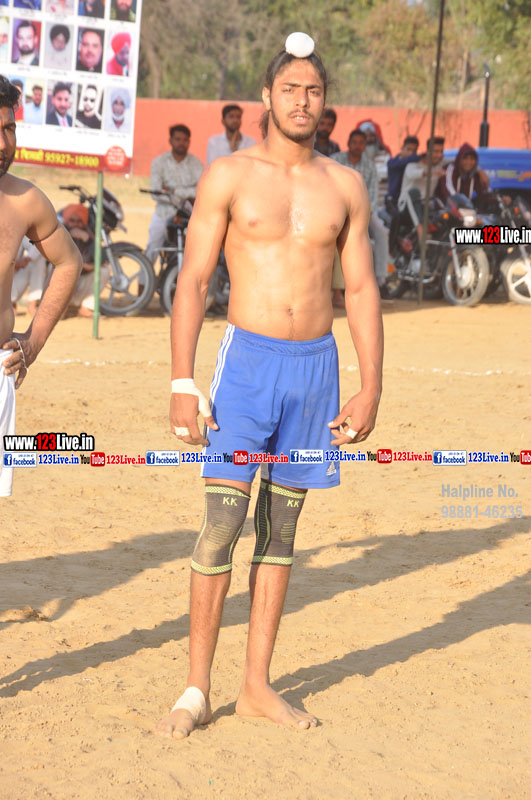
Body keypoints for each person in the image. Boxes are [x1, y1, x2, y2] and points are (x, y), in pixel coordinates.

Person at [154, 32, 382, 740]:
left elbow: (360, 288)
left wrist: (370, 384)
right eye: (290, 89)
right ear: (267, 96)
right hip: (246, 366)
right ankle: (196, 688)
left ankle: (256, 685)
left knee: (280, 531)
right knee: (223, 522)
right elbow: (194, 280)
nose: (302, 101)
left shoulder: (344, 185)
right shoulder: (229, 176)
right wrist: (183, 379)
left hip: (315, 369)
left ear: (325, 100)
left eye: (313, 90)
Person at [0, 75, 82, 498]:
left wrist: (31, 343)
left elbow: (69, 262)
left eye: (9, 128)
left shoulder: (25, 201)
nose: (3, 144)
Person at [332, 129, 390, 294]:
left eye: (361, 143)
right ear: (348, 143)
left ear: (365, 145)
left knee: (381, 232)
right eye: (354, 142)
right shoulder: (335, 161)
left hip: (363, 212)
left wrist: (361, 213)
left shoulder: (370, 166)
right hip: (337, 210)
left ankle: (381, 279)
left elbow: (372, 195)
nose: (357, 146)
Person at [146, 124, 203, 264]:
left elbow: (201, 191)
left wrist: (172, 191)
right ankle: (145, 278)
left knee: (195, 254)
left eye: (185, 140)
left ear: (189, 142)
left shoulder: (197, 164)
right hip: (163, 213)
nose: (181, 143)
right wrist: (187, 193)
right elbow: (155, 192)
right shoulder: (159, 162)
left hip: (188, 217)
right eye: (177, 139)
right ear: (170, 141)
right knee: (151, 250)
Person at [61, 203, 110, 317]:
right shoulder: (61, 233)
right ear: (67, 221)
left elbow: (103, 258)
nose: (76, 224)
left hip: (81, 283)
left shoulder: (88, 233)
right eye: (72, 221)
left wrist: (87, 240)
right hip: (62, 282)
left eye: (79, 221)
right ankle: (60, 307)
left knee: (104, 270)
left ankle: (86, 307)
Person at [398, 136, 445, 240]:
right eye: (435, 151)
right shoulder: (413, 164)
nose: (439, 155)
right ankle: (420, 230)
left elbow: (461, 161)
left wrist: (479, 171)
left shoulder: (440, 165)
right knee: (414, 192)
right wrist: (430, 172)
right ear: (427, 152)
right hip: (406, 207)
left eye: (441, 152)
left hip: (427, 207)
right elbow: (411, 174)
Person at [11, 237, 46, 317]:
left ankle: (32, 305)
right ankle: (8, 304)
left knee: (38, 258)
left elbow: (36, 246)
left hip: (15, 277)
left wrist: (26, 260)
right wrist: (13, 264)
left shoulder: (18, 233)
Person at [386, 135, 420, 208]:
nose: (410, 153)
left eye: (414, 151)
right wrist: (415, 157)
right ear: (402, 148)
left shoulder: (413, 162)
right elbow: (400, 163)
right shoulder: (392, 162)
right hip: (393, 199)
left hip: (407, 199)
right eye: (408, 149)